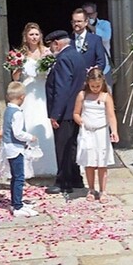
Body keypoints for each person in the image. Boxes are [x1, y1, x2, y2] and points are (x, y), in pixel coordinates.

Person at [11, 22, 57, 177]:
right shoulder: (20, 54)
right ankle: (28, 168)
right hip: (27, 92)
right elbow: (15, 78)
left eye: (36, 34)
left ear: (40, 36)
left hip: (43, 91)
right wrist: (17, 65)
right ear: (26, 36)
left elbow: (53, 73)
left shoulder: (46, 52)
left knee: (44, 124)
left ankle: (47, 165)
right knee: (27, 124)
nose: (34, 37)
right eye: (31, 34)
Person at [45, 30, 87, 194]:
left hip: (65, 111)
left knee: (63, 147)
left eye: (51, 45)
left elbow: (62, 89)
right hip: (74, 110)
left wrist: (55, 114)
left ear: (57, 43)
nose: (50, 49)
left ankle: (63, 182)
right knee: (72, 146)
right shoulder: (76, 56)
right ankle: (76, 179)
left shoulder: (63, 59)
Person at [73, 67, 119, 202]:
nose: (95, 88)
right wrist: (79, 120)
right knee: (89, 162)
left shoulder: (106, 96)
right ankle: (91, 189)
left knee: (102, 163)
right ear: (88, 83)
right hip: (87, 132)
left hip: (101, 132)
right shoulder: (82, 95)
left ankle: (103, 190)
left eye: (98, 86)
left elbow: (111, 116)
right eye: (92, 86)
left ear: (102, 83)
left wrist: (114, 131)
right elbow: (76, 113)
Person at [3, 82, 38, 217]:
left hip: (9, 146)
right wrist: (30, 137)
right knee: (19, 177)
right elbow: (17, 133)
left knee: (15, 176)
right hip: (15, 148)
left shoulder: (8, 110)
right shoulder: (17, 113)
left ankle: (16, 202)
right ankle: (17, 206)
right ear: (22, 97)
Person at [82, 2, 113, 86]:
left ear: (95, 14)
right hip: (86, 72)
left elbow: (106, 37)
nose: (88, 17)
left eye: (90, 14)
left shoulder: (104, 24)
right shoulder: (80, 30)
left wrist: (89, 26)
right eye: (85, 14)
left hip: (104, 70)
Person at [71, 8, 106, 72]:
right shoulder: (68, 40)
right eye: (74, 21)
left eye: (79, 21)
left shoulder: (95, 40)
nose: (76, 24)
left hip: (89, 79)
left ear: (86, 22)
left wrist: (93, 73)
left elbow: (101, 62)